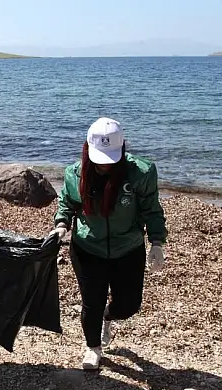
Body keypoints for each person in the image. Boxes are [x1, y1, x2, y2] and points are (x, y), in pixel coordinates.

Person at [47, 117, 167, 370]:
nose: (103, 165)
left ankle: (108, 317)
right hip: (88, 247)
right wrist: (61, 225)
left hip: (128, 247)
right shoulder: (75, 173)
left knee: (129, 305)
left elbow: (152, 210)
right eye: (99, 158)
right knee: (92, 302)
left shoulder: (141, 173)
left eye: (110, 158)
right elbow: (67, 203)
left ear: (122, 148)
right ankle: (93, 347)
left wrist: (157, 242)